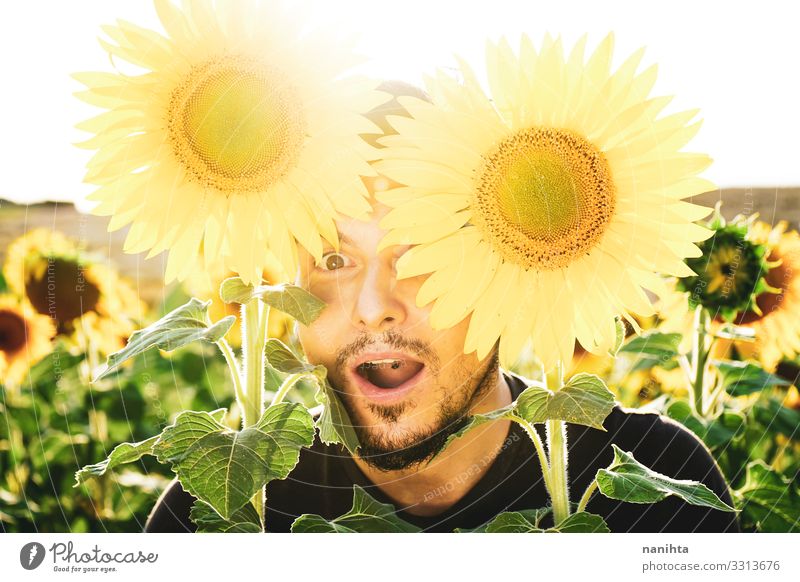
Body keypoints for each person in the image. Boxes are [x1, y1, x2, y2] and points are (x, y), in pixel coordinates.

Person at [144, 81, 740, 533]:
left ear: (510, 259)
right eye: (332, 261)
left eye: (422, 256)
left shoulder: (662, 482)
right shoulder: (219, 508)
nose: (375, 306)